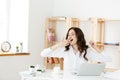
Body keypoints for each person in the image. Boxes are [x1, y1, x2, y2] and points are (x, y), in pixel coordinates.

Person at [41, 27, 111, 75]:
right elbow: (43, 54)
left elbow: (107, 59)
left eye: (72, 34)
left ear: (79, 36)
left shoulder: (87, 51)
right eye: (68, 35)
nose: (69, 37)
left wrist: (95, 47)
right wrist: (59, 45)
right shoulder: (65, 50)